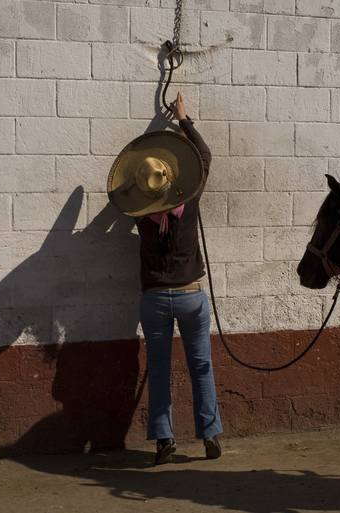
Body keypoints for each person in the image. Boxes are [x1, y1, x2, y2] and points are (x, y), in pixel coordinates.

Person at [106, 92, 222, 464]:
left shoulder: (140, 215)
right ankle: (210, 435)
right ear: (174, 180)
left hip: (154, 300)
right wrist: (183, 119)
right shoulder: (191, 203)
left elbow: (120, 196)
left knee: (158, 369)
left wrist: (136, 174)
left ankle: (164, 441)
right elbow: (203, 156)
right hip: (191, 296)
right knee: (200, 365)